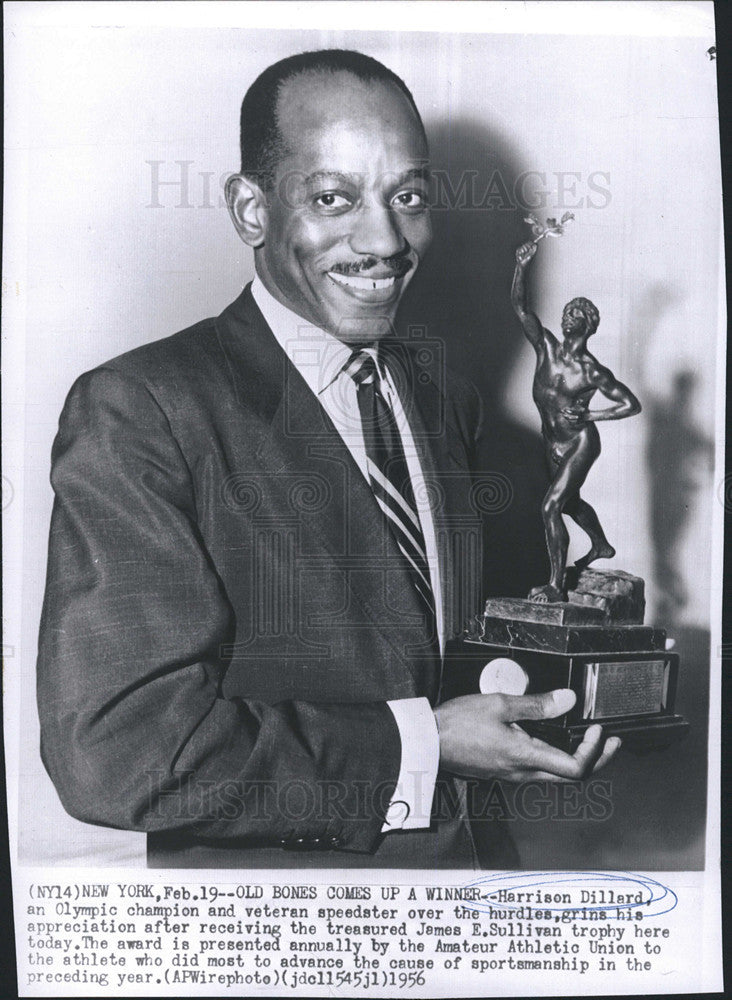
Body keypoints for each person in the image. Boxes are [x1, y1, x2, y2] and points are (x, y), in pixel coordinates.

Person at [37, 50, 620, 870]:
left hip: (474, 912)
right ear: (250, 209)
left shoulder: (439, 396)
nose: (384, 241)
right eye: (332, 197)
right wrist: (423, 747)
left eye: (407, 197)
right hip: (281, 948)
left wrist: (542, 713)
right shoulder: (144, 410)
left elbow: (430, 650)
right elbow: (119, 753)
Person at [511, 240, 642, 603]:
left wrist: (592, 414)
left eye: (576, 314)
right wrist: (521, 267)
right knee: (568, 503)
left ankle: (554, 586)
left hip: (580, 442)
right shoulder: (547, 349)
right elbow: (521, 309)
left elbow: (631, 404)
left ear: (586, 326)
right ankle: (600, 545)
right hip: (550, 440)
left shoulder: (591, 371)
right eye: (568, 311)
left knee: (551, 506)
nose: (568, 315)